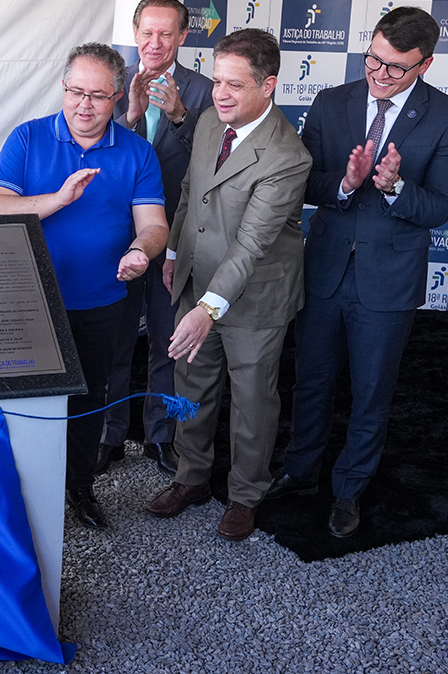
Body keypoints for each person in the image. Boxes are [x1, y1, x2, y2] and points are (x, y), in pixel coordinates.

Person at [267, 7, 448, 538]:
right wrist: (344, 182)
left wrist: (394, 187)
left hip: (389, 280)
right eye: (373, 60)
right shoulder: (331, 102)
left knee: (372, 390)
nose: (379, 76)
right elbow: (305, 186)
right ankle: (300, 471)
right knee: (310, 380)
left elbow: (441, 207)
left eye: (395, 69)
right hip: (326, 270)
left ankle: (349, 489)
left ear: (424, 65)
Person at [0, 42, 168, 530]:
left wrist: (139, 251)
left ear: (117, 97)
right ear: (62, 89)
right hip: (30, 298)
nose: (84, 105)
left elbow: (154, 224)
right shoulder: (27, 138)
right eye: (75, 92)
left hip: (101, 300)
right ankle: (19, 492)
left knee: (88, 397)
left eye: (98, 96)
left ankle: (80, 488)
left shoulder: (136, 151)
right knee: (27, 397)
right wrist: (58, 199)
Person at [145, 29, 310, 541]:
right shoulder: (210, 122)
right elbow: (193, 191)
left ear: (269, 86)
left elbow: (250, 246)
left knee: (251, 401)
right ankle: (189, 476)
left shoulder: (288, 157)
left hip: (254, 296)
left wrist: (205, 309)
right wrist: (174, 252)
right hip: (197, 279)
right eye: (217, 81)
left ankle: (245, 495)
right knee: (186, 389)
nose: (220, 94)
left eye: (234, 85)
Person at [99, 0, 214, 478]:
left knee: (167, 341)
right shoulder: (108, 82)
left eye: (167, 34)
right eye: (147, 32)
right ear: (134, 30)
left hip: (176, 242)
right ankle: (108, 435)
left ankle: (160, 436)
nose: (155, 43)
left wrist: (180, 119)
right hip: (115, 239)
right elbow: (98, 157)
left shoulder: (206, 92)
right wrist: (129, 117)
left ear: (183, 36)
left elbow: (210, 167)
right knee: (114, 343)